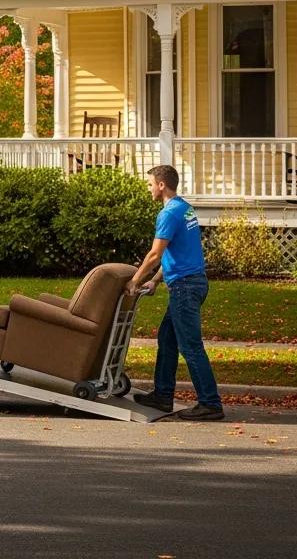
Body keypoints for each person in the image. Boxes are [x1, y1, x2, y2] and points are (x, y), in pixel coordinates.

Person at [127, 164, 224, 421]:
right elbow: (177, 253)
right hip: (191, 282)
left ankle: (210, 403)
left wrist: (135, 280)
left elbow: (155, 254)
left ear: (161, 185)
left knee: (190, 346)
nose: (148, 188)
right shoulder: (185, 208)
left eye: (150, 184)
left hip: (185, 287)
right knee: (167, 339)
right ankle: (162, 396)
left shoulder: (169, 213)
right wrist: (157, 281)